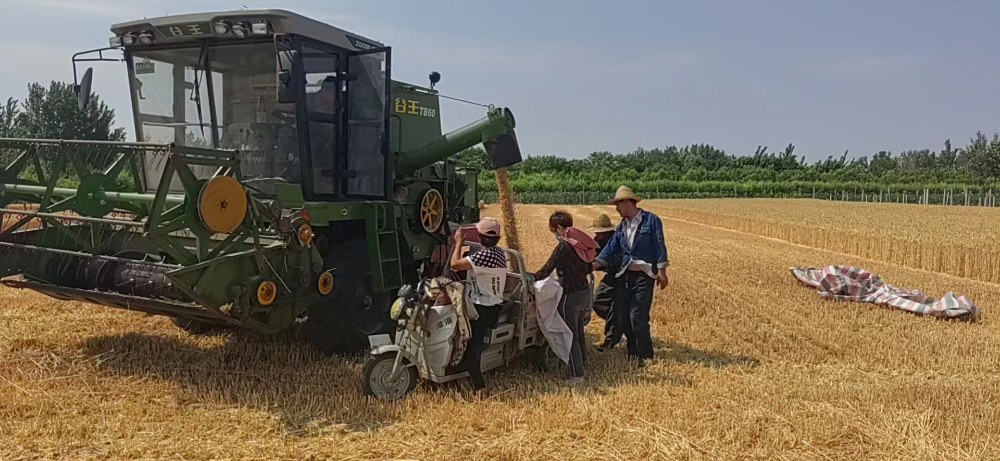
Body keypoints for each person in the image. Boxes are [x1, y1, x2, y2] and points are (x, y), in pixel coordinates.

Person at [593, 185, 669, 366]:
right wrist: (592, 265)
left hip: (644, 277)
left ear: (627, 202)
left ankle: (646, 354)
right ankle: (632, 352)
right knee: (624, 316)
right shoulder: (622, 226)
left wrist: (662, 272)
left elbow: (659, 245)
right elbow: (610, 249)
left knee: (637, 316)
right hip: (624, 276)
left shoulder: (651, 221)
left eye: (617, 205)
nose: (616, 209)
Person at [533, 211, 598, 384]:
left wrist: (530, 278)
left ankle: (577, 375)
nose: (554, 234)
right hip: (584, 293)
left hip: (570, 296)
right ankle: (582, 363)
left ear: (560, 228)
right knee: (579, 332)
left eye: (553, 230)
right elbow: (588, 268)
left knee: (569, 336)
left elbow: (547, 269)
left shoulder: (564, 246)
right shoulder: (580, 245)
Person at [450, 217, 507, 394]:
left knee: (471, 351)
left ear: (479, 236)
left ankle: (481, 388)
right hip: (492, 305)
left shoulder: (484, 256)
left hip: (483, 308)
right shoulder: (498, 253)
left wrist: (458, 243)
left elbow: (454, 264)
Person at [589, 213, 622, 352]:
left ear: (608, 231)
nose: (597, 234)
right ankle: (622, 322)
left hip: (624, 276)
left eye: (599, 232)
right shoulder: (598, 240)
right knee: (597, 302)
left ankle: (610, 341)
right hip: (612, 276)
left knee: (616, 308)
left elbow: (606, 258)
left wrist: (592, 266)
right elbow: (592, 254)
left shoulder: (617, 240)